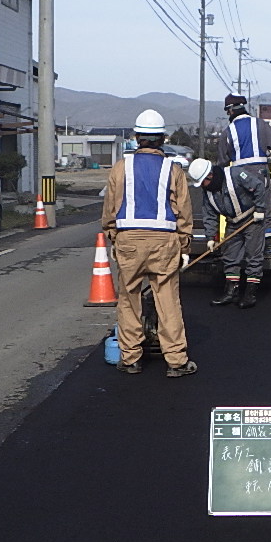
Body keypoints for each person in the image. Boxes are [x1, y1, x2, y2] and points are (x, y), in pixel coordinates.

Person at [101, 109, 197, 378]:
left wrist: (113, 236)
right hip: (164, 243)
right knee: (168, 300)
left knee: (129, 298)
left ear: (136, 137)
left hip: (129, 240)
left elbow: (110, 209)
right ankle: (176, 361)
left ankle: (131, 358)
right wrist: (185, 246)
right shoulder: (174, 169)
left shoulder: (121, 168)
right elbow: (184, 212)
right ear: (162, 138)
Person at [188, 157, 271, 309]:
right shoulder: (208, 192)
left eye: (203, 182)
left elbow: (259, 187)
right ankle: (231, 292)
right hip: (233, 222)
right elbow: (210, 214)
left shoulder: (236, 174)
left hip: (252, 220)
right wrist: (210, 237)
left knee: (254, 256)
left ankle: (250, 294)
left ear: (210, 176)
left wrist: (260, 209)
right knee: (230, 256)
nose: (202, 186)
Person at [217, 94, 271, 255]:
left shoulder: (228, 131)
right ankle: (268, 245)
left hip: (238, 176)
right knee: (265, 206)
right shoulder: (260, 124)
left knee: (241, 208)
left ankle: (241, 245)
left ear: (231, 110)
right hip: (260, 172)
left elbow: (222, 161)